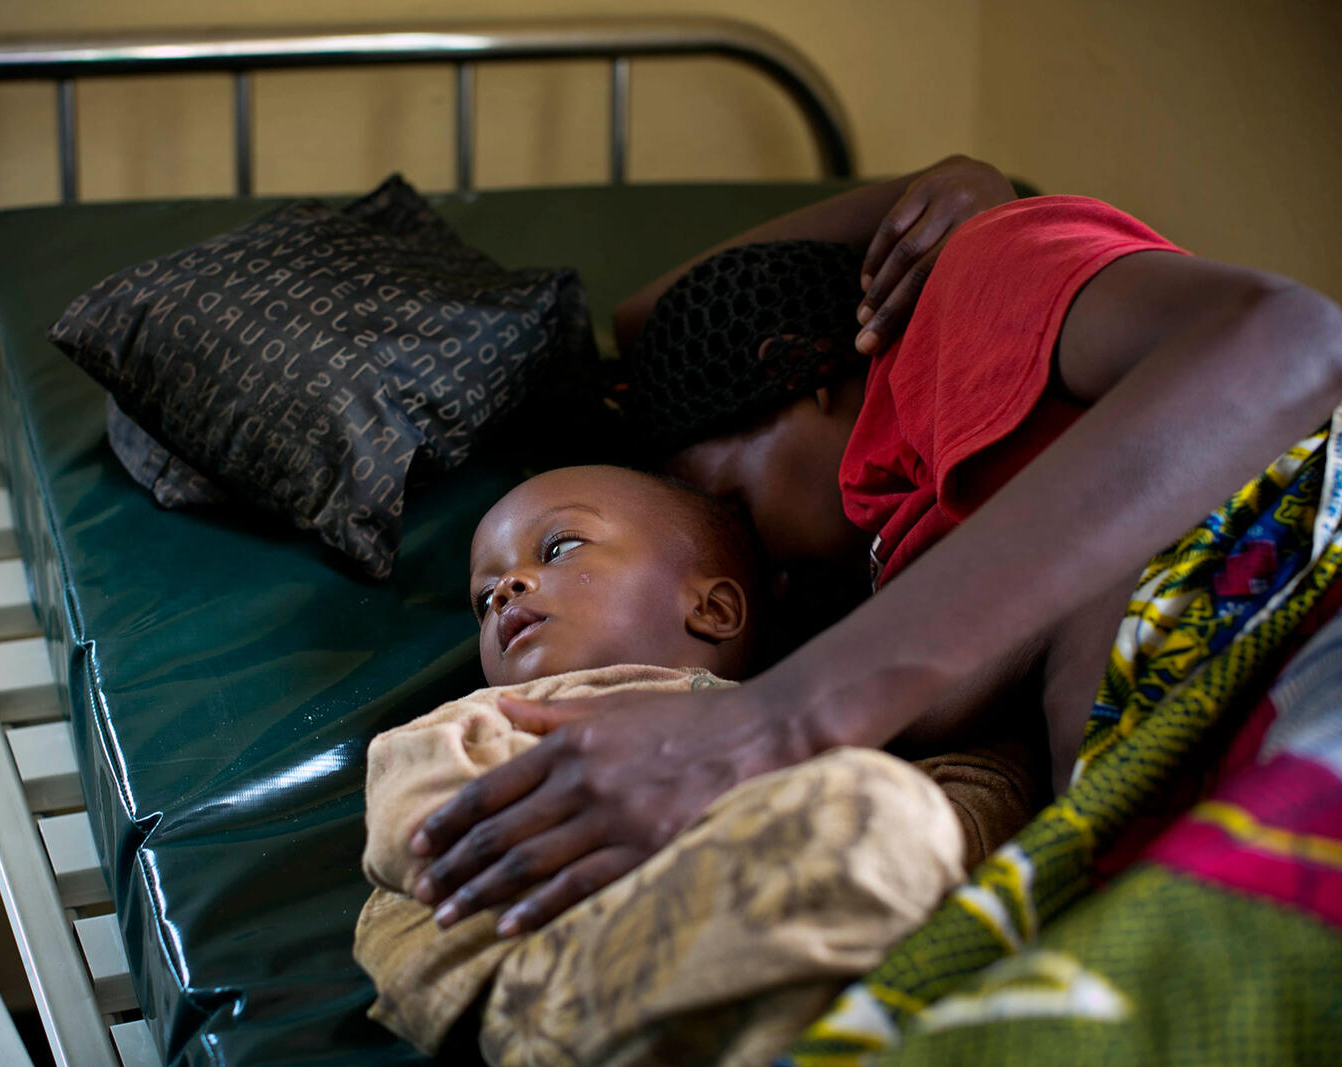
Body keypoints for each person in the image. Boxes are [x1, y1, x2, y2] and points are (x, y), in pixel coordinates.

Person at [403, 153, 1342, 953]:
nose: (757, 559)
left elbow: (1288, 337)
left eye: (734, 505)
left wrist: (940, 191)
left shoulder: (968, 291)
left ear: (796, 370)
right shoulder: (902, 566)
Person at [355, 463, 1036, 1064]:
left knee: (885, 815)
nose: (507, 589)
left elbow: (962, 816)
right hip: (543, 967)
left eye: (558, 548)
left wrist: (1005, 751)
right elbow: (413, 815)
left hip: (747, 958)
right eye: (484, 599)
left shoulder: (805, 729)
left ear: (710, 609)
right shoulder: (498, 715)